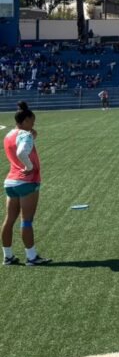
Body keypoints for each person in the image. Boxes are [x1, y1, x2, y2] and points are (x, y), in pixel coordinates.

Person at [3, 101, 51, 266]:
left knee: (9, 220)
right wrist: (29, 166)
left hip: (10, 182)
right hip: (27, 182)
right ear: (24, 122)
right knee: (26, 221)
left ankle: (8, 256)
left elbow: (20, 143)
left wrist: (32, 133)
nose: (33, 124)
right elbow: (22, 151)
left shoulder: (9, 134)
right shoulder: (25, 135)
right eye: (31, 121)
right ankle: (31, 257)